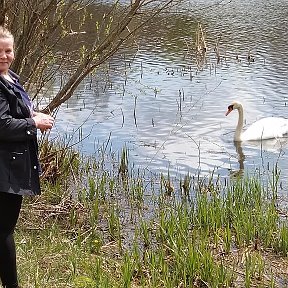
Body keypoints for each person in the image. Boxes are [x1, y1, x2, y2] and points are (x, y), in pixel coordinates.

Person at [0, 26, 54, 288]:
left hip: (10, 164)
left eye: (8, 50)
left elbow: (14, 115)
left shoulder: (10, 77)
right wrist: (33, 124)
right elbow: (1, 125)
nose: (4, 56)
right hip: (3, 169)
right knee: (3, 231)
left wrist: (33, 116)